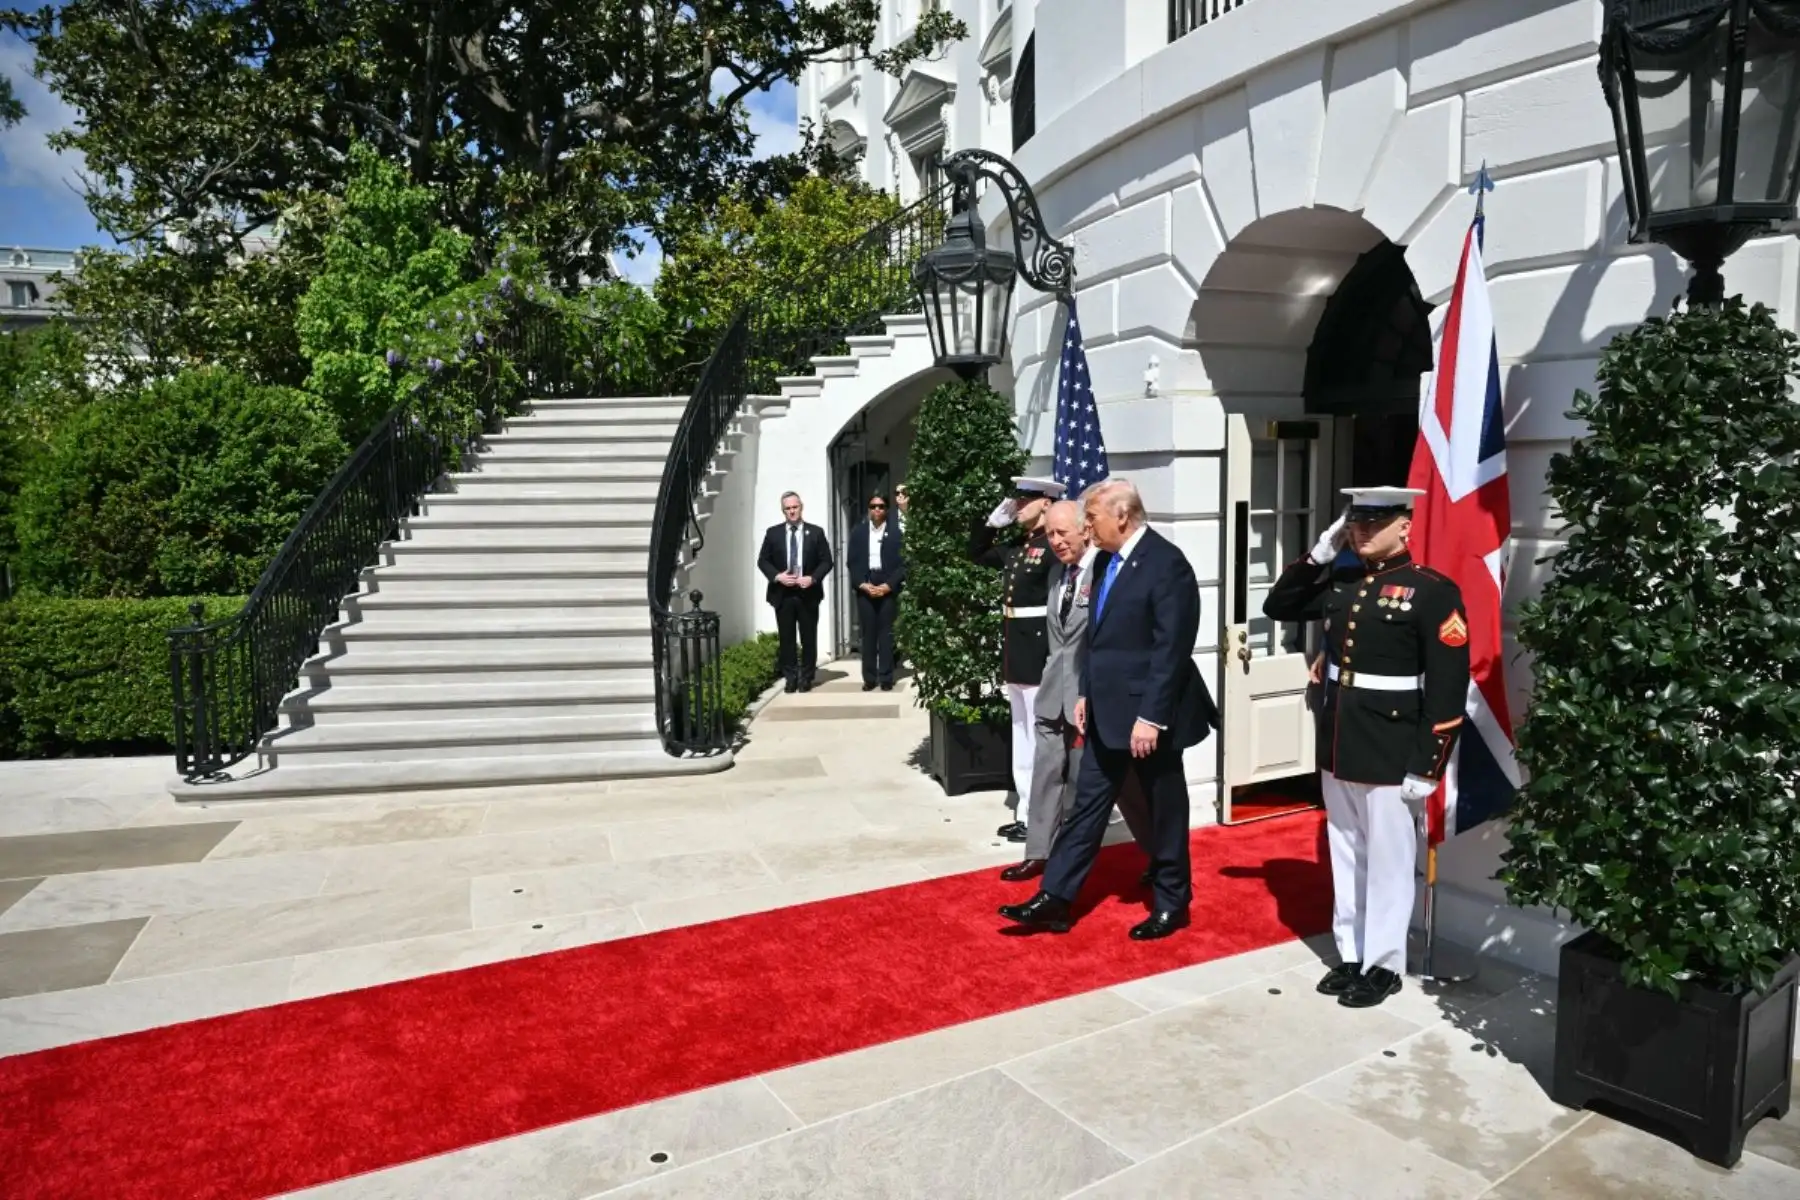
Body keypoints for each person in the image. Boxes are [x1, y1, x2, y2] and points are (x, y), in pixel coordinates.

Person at [1262, 486, 1472, 1009]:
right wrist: (1320, 554)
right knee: (1346, 848)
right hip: (1341, 736)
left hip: (1393, 743)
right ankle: (1351, 952)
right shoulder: (1343, 578)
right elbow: (1278, 604)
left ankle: (1383, 963)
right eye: (1356, 521)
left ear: (1405, 525)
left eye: (1374, 522)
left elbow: (1448, 686)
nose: (1361, 531)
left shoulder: (1431, 591)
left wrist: (1430, 762)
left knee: (1389, 857)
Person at [1000, 480, 1218, 940]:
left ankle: (1172, 902)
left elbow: (1170, 650)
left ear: (1121, 515)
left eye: (1093, 518)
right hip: (1105, 710)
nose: (1088, 529)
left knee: (1164, 808)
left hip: (1150, 719)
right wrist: (1086, 695)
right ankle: (1055, 898)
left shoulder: (1165, 564)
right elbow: (1100, 643)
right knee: (1087, 806)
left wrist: (1151, 718)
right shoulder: (1107, 564)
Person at [1005, 499, 1152, 882]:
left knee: (1110, 786)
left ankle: (1156, 853)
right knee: (1045, 774)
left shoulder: (1105, 575)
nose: (1054, 541)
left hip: (1094, 698)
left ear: (1085, 530)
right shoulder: (1057, 575)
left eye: (1061, 532)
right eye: (1050, 533)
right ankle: (1038, 853)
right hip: (1053, 693)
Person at [970, 476, 1062, 843]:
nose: (1017, 507)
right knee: (1022, 735)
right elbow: (976, 554)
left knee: (1040, 738)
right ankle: (1026, 810)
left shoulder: (1052, 547)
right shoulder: (1018, 546)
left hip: (1038, 653)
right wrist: (990, 525)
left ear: (1046, 503)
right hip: (1015, 651)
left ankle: (1042, 816)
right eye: (1016, 502)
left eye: (1025, 501)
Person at [756, 492, 833, 693]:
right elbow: (763, 561)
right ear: (783, 511)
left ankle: (806, 677)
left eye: (794, 507)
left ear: (801, 507)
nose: (791, 511)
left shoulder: (816, 533)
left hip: (808, 594)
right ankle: (790, 678)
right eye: (787, 509)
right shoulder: (773, 533)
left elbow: (827, 561)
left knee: (809, 638)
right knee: (787, 639)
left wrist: (813, 578)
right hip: (783, 594)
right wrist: (777, 576)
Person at [846, 491, 905, 692]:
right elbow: (851, 563)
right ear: (868, 510)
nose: (877, 510)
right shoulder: (859, 532)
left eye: (880, 506)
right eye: (873, 506)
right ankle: (869, 678)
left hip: (887, 584)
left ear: (886, 510)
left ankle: (886, 677)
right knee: (868, 634)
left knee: (886, 634)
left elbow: (903, 563)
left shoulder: (896, 533)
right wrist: (861, 584)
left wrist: (889, 585)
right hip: (866, 584)